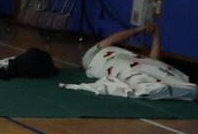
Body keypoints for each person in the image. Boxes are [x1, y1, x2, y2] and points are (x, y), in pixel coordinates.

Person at [61, 23, 196, 102]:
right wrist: (140, 30)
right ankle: (179, 88)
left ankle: (181, 86)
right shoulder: (90, 58)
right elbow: (113, 39)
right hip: (119, 66)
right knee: (139, 76)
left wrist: (154, 35)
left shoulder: (118, 53)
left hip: (131, 63)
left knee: (156, 68)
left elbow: (152, 63)